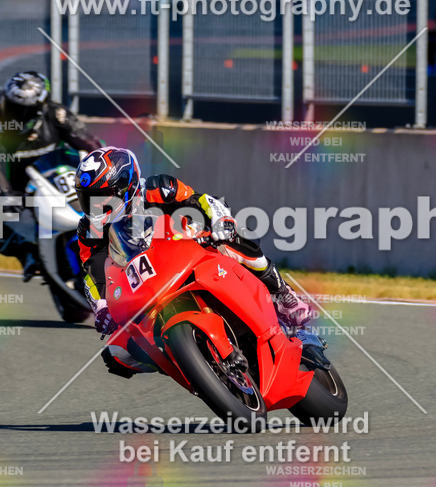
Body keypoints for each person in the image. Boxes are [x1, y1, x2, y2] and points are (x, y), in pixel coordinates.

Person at [73, 146, 313, 377]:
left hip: (190, 250)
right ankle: (187, 362)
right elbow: (92, 272)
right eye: (88, 199)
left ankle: (283, 294)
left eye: (100, 197)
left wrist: (222, 221)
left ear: (125, 186)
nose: (95, 206)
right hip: (144, 286)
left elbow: (203, 201)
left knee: (234, 239)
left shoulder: (159, 188)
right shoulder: (89, 229)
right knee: (116, 354)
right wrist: (101, 307)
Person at [0, 71, 103, 280]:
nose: (14, 113)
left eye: (21, 110)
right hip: (15, 187)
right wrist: (5, 195)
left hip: (56, 177)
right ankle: (27, 252)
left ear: (39, 107)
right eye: (10, 104)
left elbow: (90, 143)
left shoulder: (56, 114)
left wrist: (105, 165)